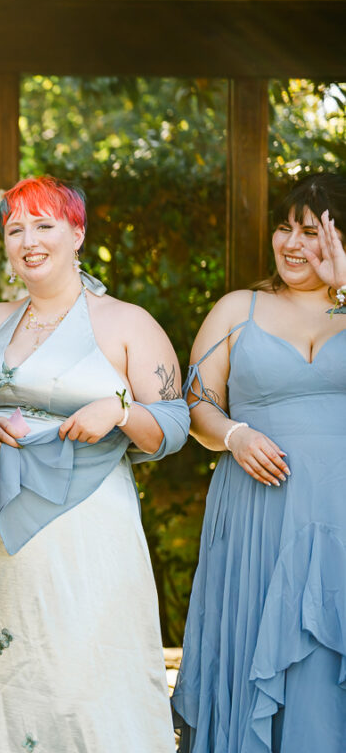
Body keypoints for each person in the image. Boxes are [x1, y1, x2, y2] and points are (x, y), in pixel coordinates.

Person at [0, 175, 190, 751]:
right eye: (15, 229)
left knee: (82, 683)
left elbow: (175, 426)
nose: (28, 240)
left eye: (44, 225)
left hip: (85, 529)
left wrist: (120, 409)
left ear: (77, 233)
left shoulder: (126, 322)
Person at [171, 173, 346, 752]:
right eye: (284, 228)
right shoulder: (237, 309)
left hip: (340, 515)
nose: (292, 244)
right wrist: (235, 434)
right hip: (258, 518)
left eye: (312, 232)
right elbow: (194, 406)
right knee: (256, 654)